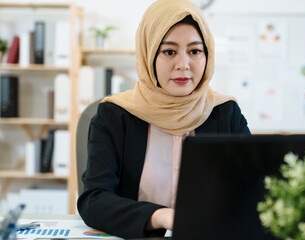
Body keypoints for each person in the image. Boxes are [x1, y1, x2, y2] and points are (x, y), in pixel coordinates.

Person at [77, 0, 251, 238]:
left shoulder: (226, 113)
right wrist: (161, 216)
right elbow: (94, 200)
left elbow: (252, 191)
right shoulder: (114, 115)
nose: (183, 65)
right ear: (149, 54)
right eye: (169, 51)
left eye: (195, 51)